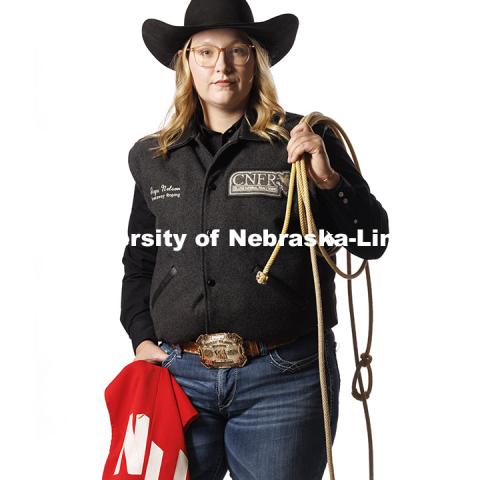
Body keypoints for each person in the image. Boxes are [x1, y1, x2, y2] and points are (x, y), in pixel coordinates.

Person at [120, 0, 389, 478]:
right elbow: (140, 260)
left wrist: (328, 182)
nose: (221, 66)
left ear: (257, 60)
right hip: (179, 377)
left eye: (237, 51)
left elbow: (371, 240)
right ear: (186, 62)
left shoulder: (306, 139)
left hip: (284, 378)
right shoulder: (152, 157)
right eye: (205, 52)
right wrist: (141, 337)